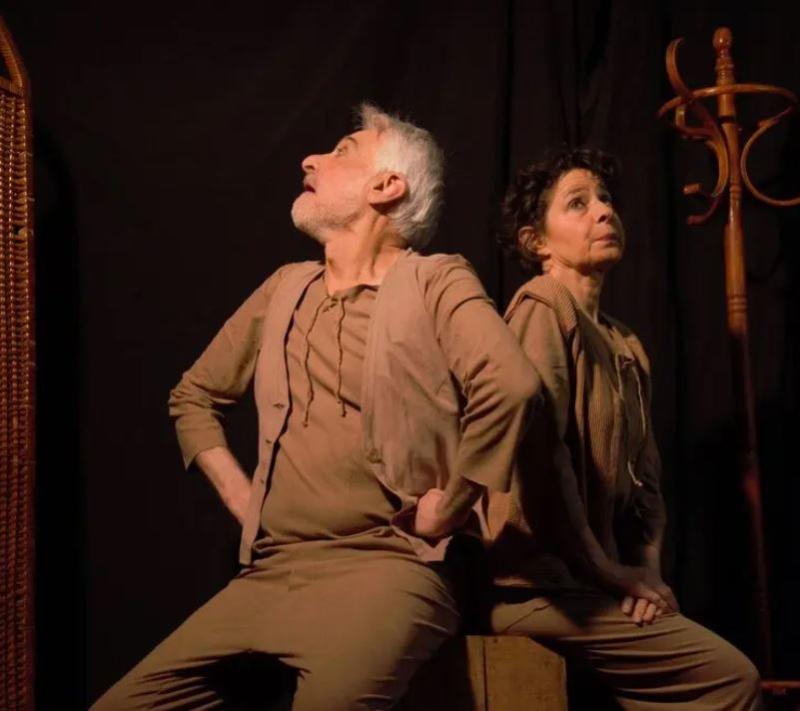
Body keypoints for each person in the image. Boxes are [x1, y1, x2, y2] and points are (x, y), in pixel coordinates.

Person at [91, 104, 540, 710]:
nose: (310, 160)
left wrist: (452, 505)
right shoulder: (285, 287)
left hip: (389, 570)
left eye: (343, 150)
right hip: (269, 574)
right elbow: (193, 398)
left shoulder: (436, 281)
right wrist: (246, 501)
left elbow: (510, 384)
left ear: (387, 186)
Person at [486, 146, 762, 709]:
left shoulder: (624, 342)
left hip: (595, 584)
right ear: (536, 243)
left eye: (606, 199)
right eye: (578, 203)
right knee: (734, 679)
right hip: (538, 590)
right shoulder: (542, 307)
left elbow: (647, 487)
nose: (604, 211)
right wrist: (612, 574)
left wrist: (646, 577)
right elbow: (544, 465)